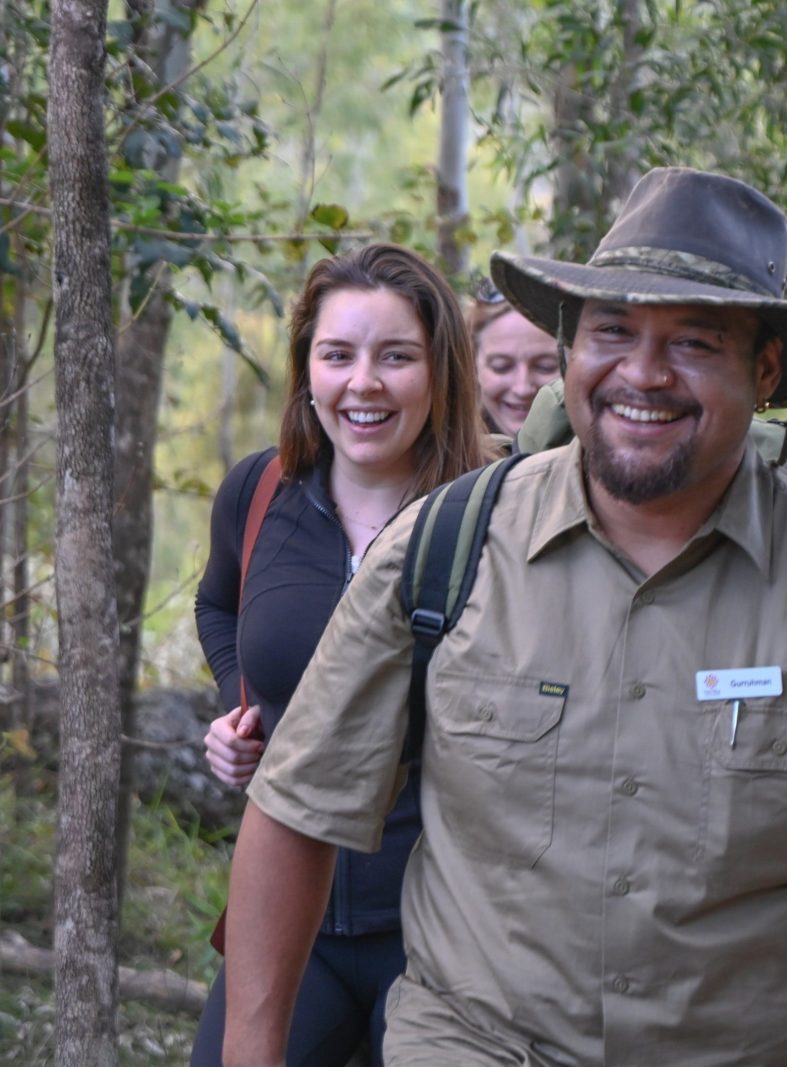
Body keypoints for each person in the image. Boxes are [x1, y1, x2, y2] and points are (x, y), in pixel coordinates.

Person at [219, 167, 787, 1067]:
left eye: (694, 341)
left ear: (764, 372)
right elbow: (297, 808)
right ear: (568, 350)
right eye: (612, 330)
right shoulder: (447, 548)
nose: (643, 371)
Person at [191, 243, 491, 1067]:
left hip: (445, 931)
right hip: (294, 927)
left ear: (440, 373)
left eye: (396, 357)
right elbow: (216, 602)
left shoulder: (492, 520)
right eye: (337, 355)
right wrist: (242, 704)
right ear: (306, 371)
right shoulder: (259, 495)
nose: (364, 383)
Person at [469, 281, 561, 436]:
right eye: (501, 367)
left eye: (546, 367)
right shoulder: (443, 456)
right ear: (473, 366)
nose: (523, 389)